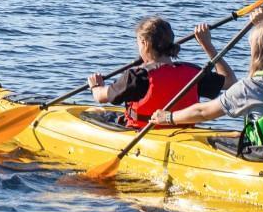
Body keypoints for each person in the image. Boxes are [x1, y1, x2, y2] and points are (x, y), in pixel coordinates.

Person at [148, 11, 263, 161]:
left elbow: (203, 112)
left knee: (212, 143)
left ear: (256, 50)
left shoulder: (252, 85)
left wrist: (169, 117)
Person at [85, 16, 221, 129]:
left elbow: (100, 97)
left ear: (145, 43)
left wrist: (96, 85)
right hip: (181, 132)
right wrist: (207, 45)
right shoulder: (194, 73)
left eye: (138, 43)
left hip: (143, 132)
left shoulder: (137, 77)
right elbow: (230, 81)